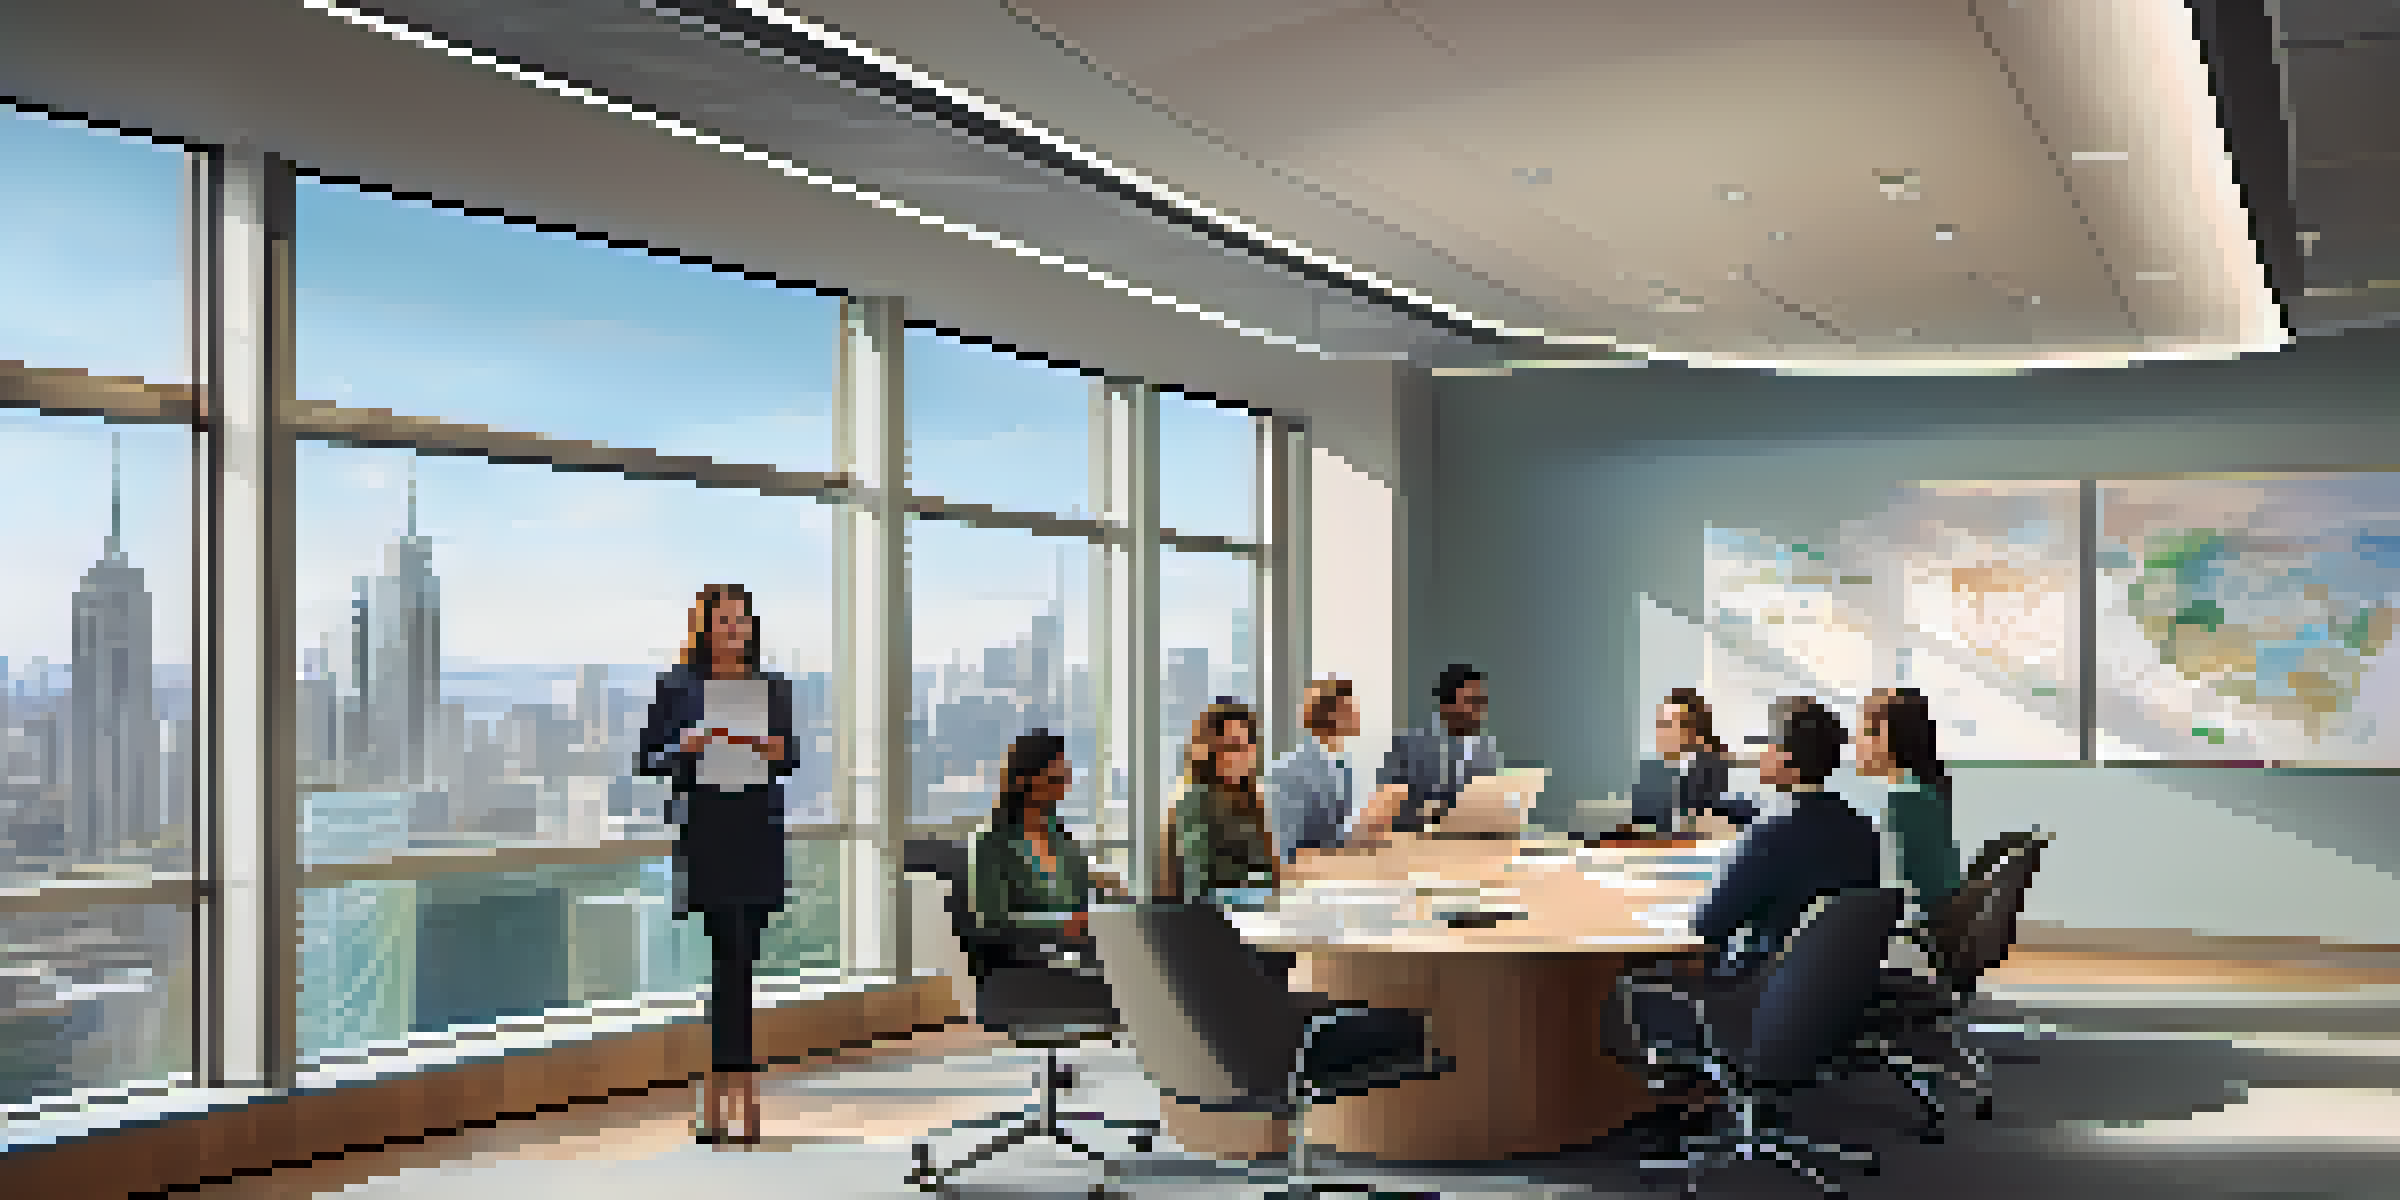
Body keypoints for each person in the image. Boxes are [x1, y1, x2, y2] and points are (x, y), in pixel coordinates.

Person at [1614, 695, 1882, 1138]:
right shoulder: (1860, 827)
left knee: (1638, 981)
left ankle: (1678, 1095)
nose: (1758, 752)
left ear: (1791, 763)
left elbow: (1707, 927)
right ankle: (1704, 1092)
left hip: (1757, 996)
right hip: (1824, 1000)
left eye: (1767, 744)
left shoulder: (1772, 836)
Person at [636, 584, 799, 1145]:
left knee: (741, 964)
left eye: (742, 621)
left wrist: (774, 749)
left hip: (757, 830)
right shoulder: (678, 687)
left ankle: (731, 1102)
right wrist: (687, 744)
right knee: (728, 961)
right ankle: (727, 1101)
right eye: (725, 621)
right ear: (704, 628)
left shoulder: (772, 688)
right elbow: (647, 761)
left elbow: (792, 757)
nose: (736, 630)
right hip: (708, 831)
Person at [968, 730, 1098, 954]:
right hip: (1022, 965)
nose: (1066, 777)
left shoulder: (1065, 842)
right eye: (1056, 774)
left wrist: (1108, 894)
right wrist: (1059, 926)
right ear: (1026, 778)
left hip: (1078, 960)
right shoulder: (993, 843)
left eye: (1065, 772)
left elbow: (1083, 907)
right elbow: (991, 923)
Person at [1357, 664, 1501, 841]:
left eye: (1481, 701)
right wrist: (1437, 816)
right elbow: (1387, 810)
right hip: (1421, 848)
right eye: (1472, 701)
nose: (1479, 710)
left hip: (1473, 847)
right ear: (1446, 705)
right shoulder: (1408, 746)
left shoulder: (1485, 749)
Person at [1856, 687, 1962, 919]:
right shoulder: (1925, 794)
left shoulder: (1902, 805)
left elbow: (1885, 898)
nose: (1855, 741)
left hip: (1907, 938)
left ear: (1889, 737)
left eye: (1865, 730)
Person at [1161, 700, 1279, 904]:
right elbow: (1197, 889)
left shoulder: (1250, 801)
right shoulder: (1194, 804)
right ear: (1210, 750)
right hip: (1213, 923)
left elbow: (1267, 871)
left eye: (1248, 745)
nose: (1243, 755)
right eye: (1233, 746)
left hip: (1256, 918)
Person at [1263, 677, 1363, 864]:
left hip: (1336, 869)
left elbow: (1336, 826)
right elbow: (1288, 850)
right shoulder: (1289, 770)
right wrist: (1364, 822)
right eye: (1351, 706)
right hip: (1304, 878)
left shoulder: (1343, 765)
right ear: (1334, 714)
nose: (1357, 713)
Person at [1629, 687, 1752, 834]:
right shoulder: (1649, 770)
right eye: (1660, 723)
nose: (1660, 732)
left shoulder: (1716, 765)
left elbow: (1739, 813)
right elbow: (1640, 820)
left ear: (1693, 727)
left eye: (1668, 725)